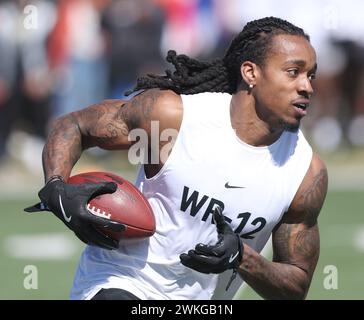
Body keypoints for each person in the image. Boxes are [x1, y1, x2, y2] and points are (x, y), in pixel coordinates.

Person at [25, 16, 328, 300]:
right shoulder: (173, 117)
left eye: (310, 75)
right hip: (121, 281)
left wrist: (243, 258)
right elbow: (75, 125)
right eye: (293, 72)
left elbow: (295, 285)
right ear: (250, 73)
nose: (307, 86)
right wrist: (56, 186)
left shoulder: (305, 173)